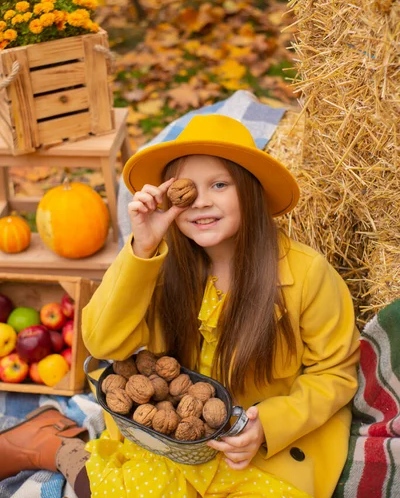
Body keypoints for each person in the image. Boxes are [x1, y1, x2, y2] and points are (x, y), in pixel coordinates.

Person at [0, 114, 360, 498]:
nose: (201, 201)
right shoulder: (157, 263)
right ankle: (60, 447)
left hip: (259, 446)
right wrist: (142, 247)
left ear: (250, 191)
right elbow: (103, 343)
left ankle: (55, 441)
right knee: (122, 491)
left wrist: (267, 426)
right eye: (185, 190)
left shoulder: (307, 273)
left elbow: (335, 373)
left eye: (219, 184)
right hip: (173, 436)